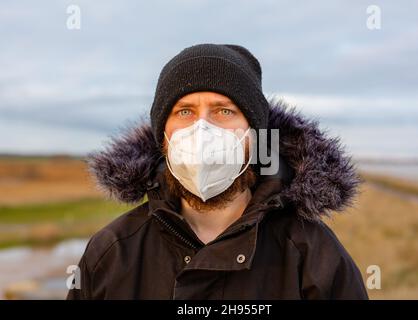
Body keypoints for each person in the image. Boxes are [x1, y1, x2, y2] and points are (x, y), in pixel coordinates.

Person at [67, 43, 368, 299]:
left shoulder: (312, 256)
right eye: (185, 111)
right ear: (163, 136)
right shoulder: (113, 252)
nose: (202, 129)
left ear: (255, 134)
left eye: (224, 111)